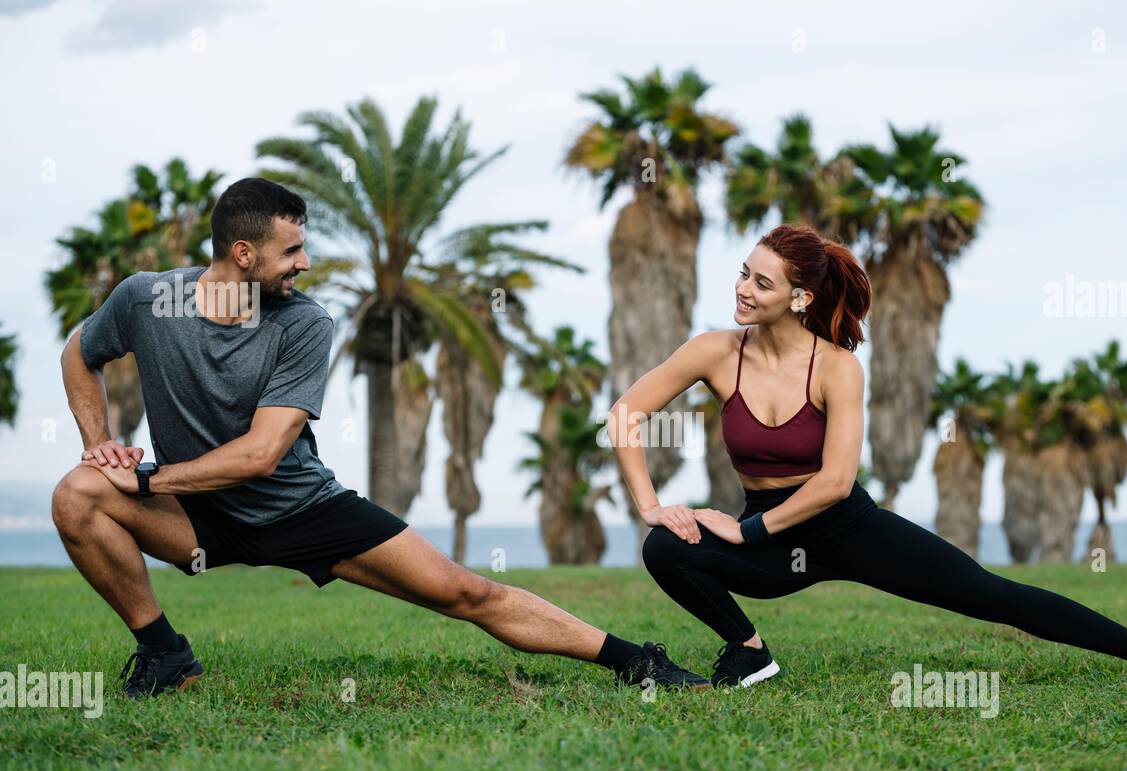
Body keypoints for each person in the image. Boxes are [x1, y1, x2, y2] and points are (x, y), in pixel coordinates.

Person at [53, 177, 708, 698]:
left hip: (299, 509)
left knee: (467, 592)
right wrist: (99, 445)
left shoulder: (302, 324)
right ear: (242, 254)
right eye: (292, 251)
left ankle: (634, 663)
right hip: (198, 515)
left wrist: (147, 478)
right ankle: (166, 654)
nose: (304, 264)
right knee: (76, 494)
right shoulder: (145, 300)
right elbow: (80, 350)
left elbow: (260, 454)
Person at [606, 223, 1127, 688]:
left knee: (990, 593)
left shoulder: (839, 369)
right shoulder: (716, 351)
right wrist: (653, 506)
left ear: (800, 298)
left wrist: (744, 532)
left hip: (844, 526)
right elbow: (625, 415)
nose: (743, 289)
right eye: (744, 272)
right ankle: (749, 650)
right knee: (664, 547)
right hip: (772, 541)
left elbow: (832, 482)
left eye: (761, 282)